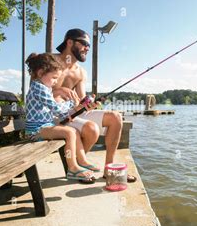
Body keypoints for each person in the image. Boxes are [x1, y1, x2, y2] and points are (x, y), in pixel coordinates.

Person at [53, 28, 137, 182]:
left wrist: (88, 104)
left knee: (115, 117)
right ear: (69, 42)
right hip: (54, 115)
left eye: (89, 46)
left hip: (73, 113)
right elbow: (36, 92)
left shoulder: (81, 72)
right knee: (92, 128)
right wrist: (58, 90)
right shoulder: (50, 61)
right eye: (84, 43)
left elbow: (80, 101)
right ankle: (77, 165)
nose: (87, 48)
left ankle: (108, 170)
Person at [25, 52, 99, 182]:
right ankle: (72, 168)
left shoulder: (44, 87)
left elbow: (56, 111)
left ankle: (81, 161)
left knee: (74, 131)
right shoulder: (39, 88)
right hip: (35, 130)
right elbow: (56, 108)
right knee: (70, 132)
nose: (55, 82)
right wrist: (72, 104)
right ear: (41, 72)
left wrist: (76, 108)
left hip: (45, 126)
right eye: (54, 78)